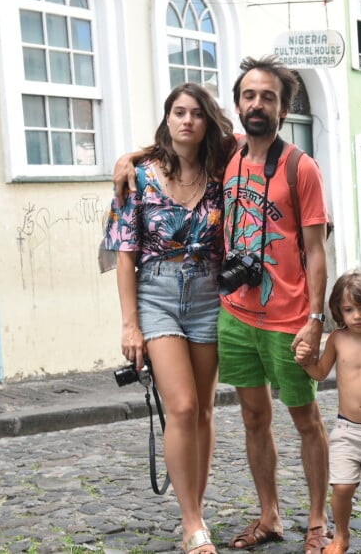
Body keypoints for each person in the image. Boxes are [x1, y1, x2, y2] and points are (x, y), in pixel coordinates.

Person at [103, 83, 236, 554]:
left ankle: (195, 508)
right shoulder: (138, 176)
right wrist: (129, 324)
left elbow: (246, 138)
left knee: (203, 409)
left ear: (207, 123)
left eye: (196, 114)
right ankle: (192, 521)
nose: (187, 121)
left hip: (208, 293)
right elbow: (124, 252)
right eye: (178, 113)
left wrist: (135, 148)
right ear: (167, 118)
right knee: (179, 407)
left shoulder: (222, 171)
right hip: (156, 292)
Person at [217, 56, 332, 553]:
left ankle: (317, 520)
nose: (257, 104)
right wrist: (125, 160)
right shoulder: (229, 153)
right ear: (238, 103)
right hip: (236, 314)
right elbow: (170, 143)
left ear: (283, 109)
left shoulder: (300, 167)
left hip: (288, 319)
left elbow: (316, 250)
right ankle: (270, 516)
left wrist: (315, 320)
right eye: (249, 95)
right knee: (252, 418)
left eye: (268, 96)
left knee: (305, 419)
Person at [295, 270, 361, 554]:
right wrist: (305, 361)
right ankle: (341, 536)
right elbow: (320, 373)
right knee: (342, 488)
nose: (357, 315)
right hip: (346, 431)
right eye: (349, 309)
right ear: (339, 312)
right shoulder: (337, 341)